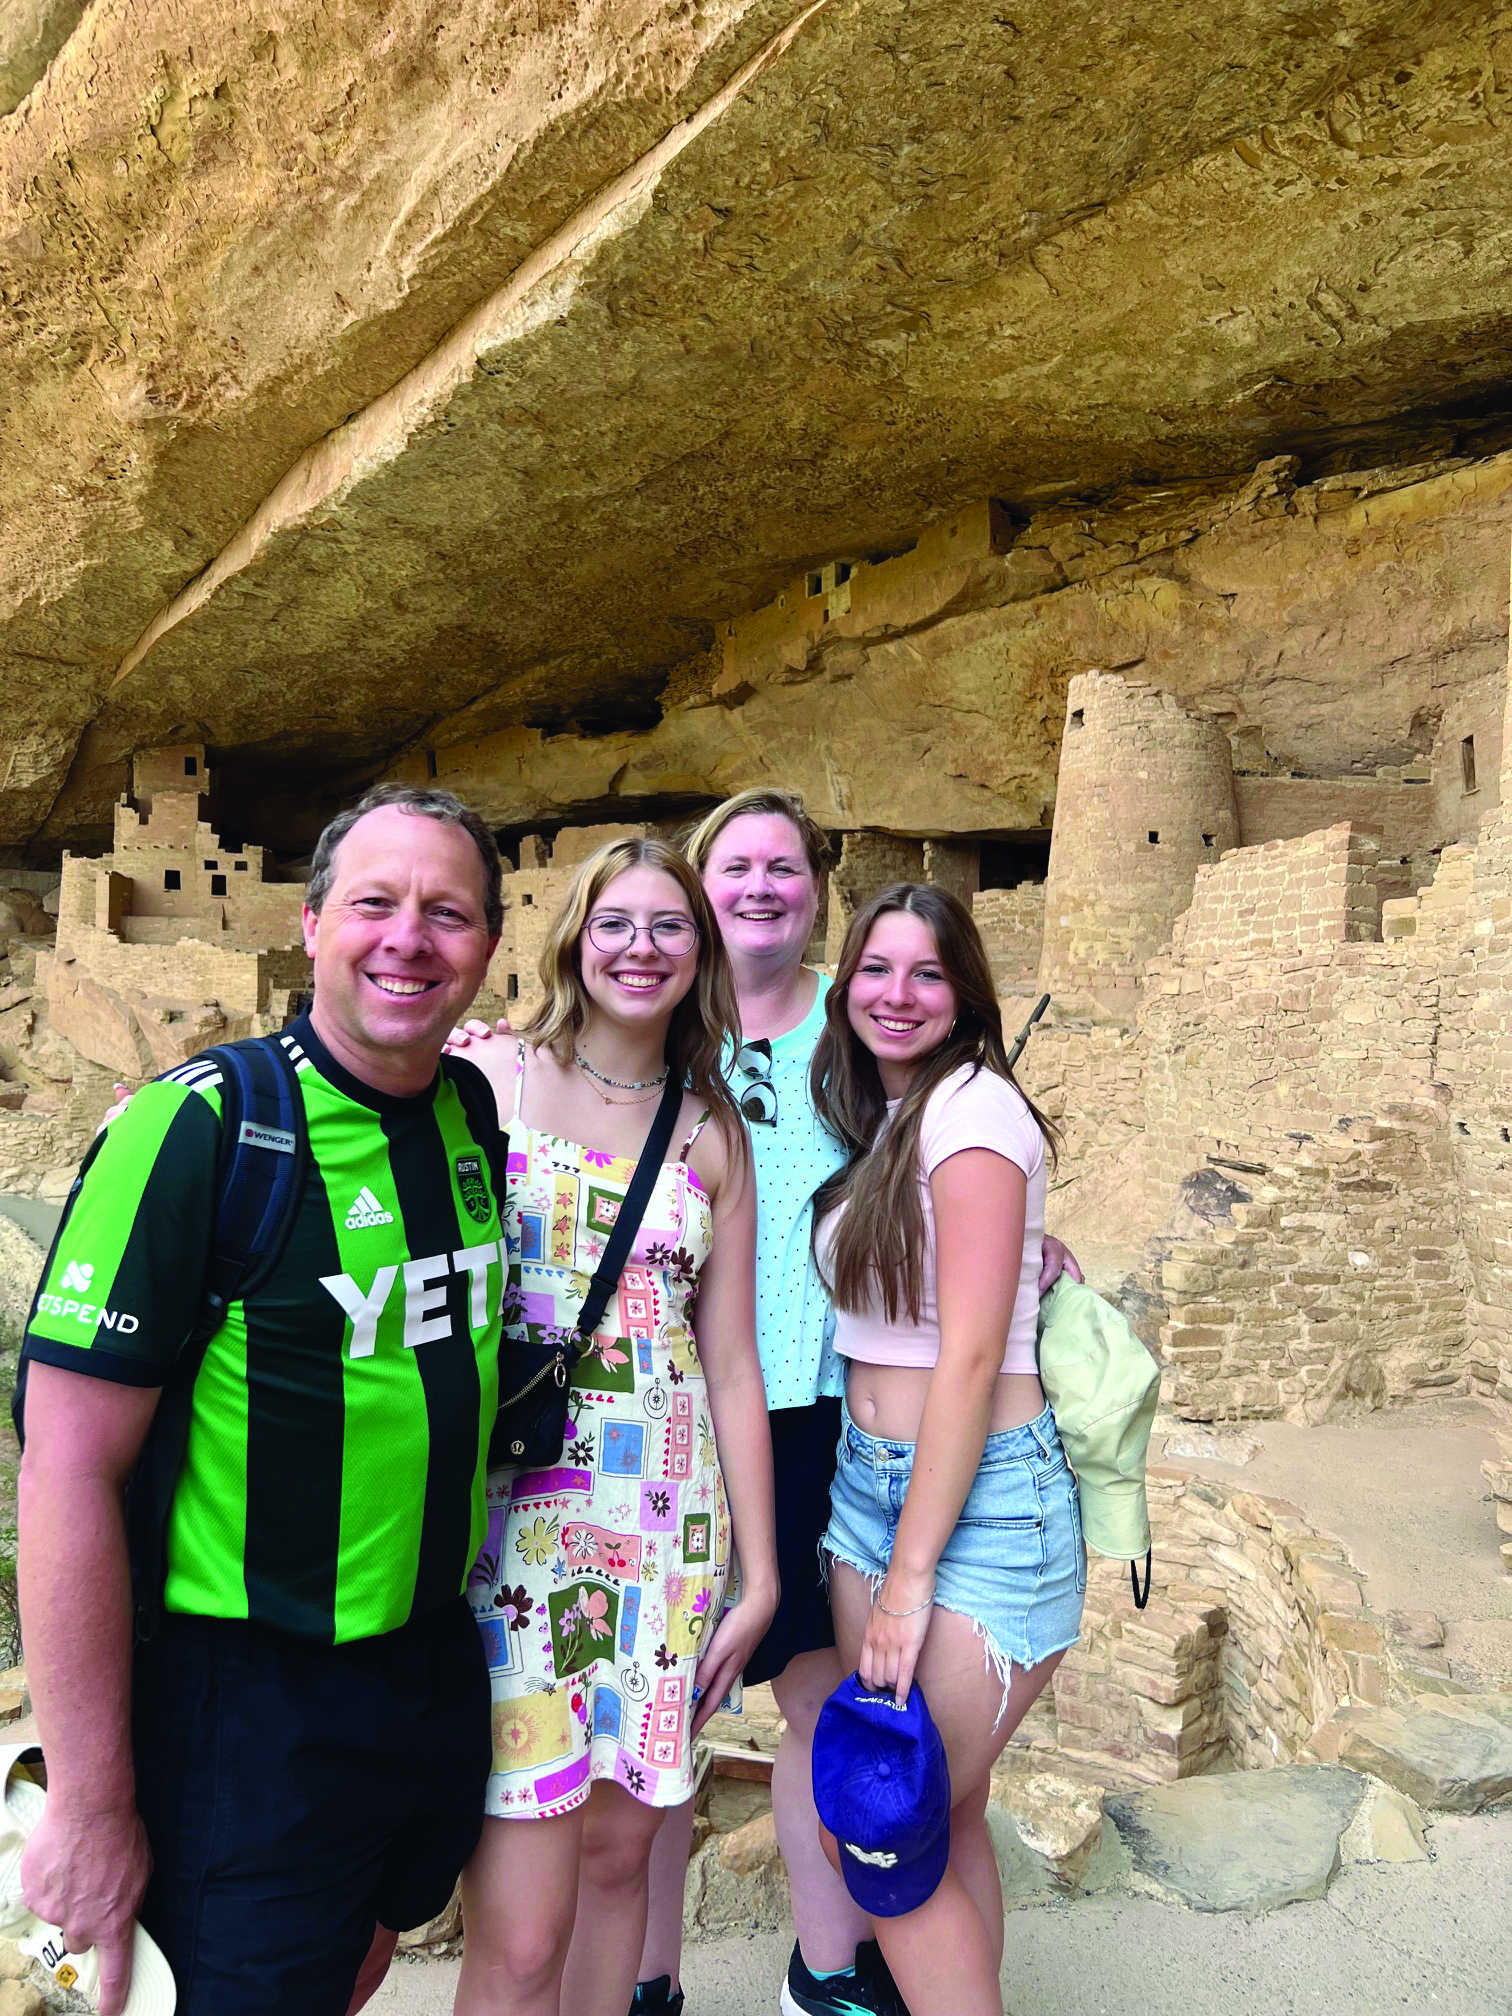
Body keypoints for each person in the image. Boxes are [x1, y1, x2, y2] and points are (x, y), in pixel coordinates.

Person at [454, 791, 1079, 2016]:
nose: (755, 889)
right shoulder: (539, 1070)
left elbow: (957, 1219)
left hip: (800, 1425)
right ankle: (649, 1983)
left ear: (814, 893)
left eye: (784, 867)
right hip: (587, 1460)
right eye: (730, 868)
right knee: (671, 1742)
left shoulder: (852, 1059)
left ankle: (834, 1969)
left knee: (836, 1743)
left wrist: (1034, 1255)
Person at [15, 785, 513, 2016]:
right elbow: (66, 1465)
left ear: (489, 948)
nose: (410, 938)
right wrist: (90, 1802)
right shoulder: (203, 1130)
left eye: (448, 913)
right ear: (309, 923)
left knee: (354, 1959)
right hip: (250, 1695)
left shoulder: (469, 1115)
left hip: (426, 1667)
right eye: (376, 903)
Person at [454, 837, 777, 2016]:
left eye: (669, 927)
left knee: (616, 1858)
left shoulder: (712, 1134)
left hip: (663, 1530)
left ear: (700, 954)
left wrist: (760, 1573)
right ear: (574, 940)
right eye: (615, 924)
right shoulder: (487, 1081)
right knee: (525, 1919)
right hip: (513, 1530)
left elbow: (732, 1363)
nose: (641, 950)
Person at [811, 883, 1085, 2016]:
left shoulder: (973, 1109)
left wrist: (909, 1580)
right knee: (943, 1816)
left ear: (966, 992)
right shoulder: (894, 1116)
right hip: (869, 1491)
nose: (897, 994)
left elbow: (970, 1358)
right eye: (876, 968)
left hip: (972, 1507)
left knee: (882, 1834)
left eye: (927, 973)